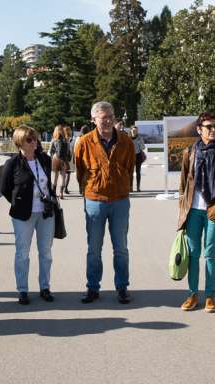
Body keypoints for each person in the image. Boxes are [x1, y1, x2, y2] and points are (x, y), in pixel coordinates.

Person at [75, 101, 135, 304]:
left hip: (120, 201)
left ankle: (122, 287)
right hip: (94, 200)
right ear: (93, 120)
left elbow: (129, 167)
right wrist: (92, 188)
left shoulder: (126, 141)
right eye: (103, 117)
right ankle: (92, 288)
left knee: (121, 248)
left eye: (111, 116)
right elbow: (80, 171)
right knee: (94, 248)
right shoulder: (83, 142)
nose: (108, 120)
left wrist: (122, 185)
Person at [178, 112, 215, 313]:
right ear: (199, 129)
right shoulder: (190, 151)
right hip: (193, 210)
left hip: (213, 209)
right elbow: (184, 182)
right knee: (194, 254)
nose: (213, 130)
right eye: (209, 126)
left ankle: (210, 295)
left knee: (210, 253)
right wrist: (183, 209)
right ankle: (193, 294)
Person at [1, 125, 55, 305]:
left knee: (46, 252)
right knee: (22, 253)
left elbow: (49, 185)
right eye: (29, 139)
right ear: (20, 143)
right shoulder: (12, 163)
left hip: (45, 213)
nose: (34, 142)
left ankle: (45, 287)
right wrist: (19, 204)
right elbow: (5, 189)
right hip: (23, 215)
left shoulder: (45, 160)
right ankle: (22, 289)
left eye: (35, 138)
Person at [49, 125, 69, 199]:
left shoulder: (54, 140)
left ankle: (54, 193)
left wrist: (53, 156)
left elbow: (51, 151)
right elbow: (68, 151)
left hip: (55, 159)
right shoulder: (66, 140)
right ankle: (61, 193)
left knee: (55, 177)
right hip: (63, 160)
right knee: (63, 177)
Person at [129, 126, 146, 192]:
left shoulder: (140, 138)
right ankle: (131, 187)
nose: (134, 132)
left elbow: (143, 147)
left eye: (136, 130)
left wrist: (140, 143)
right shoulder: (128, 138)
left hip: (138, 156)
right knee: (131, 172)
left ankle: (138, 187)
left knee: (138, 172)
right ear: (131, 131)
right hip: (130, 156)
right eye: (133, 130)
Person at [63, 126, 73, 194]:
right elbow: (68, 150)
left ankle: (61, 188)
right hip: (65, 158)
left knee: (62, 174)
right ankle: (65, 188)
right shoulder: (68, 139)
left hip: (60, 158)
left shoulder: (61, 138)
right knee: (68, 173)